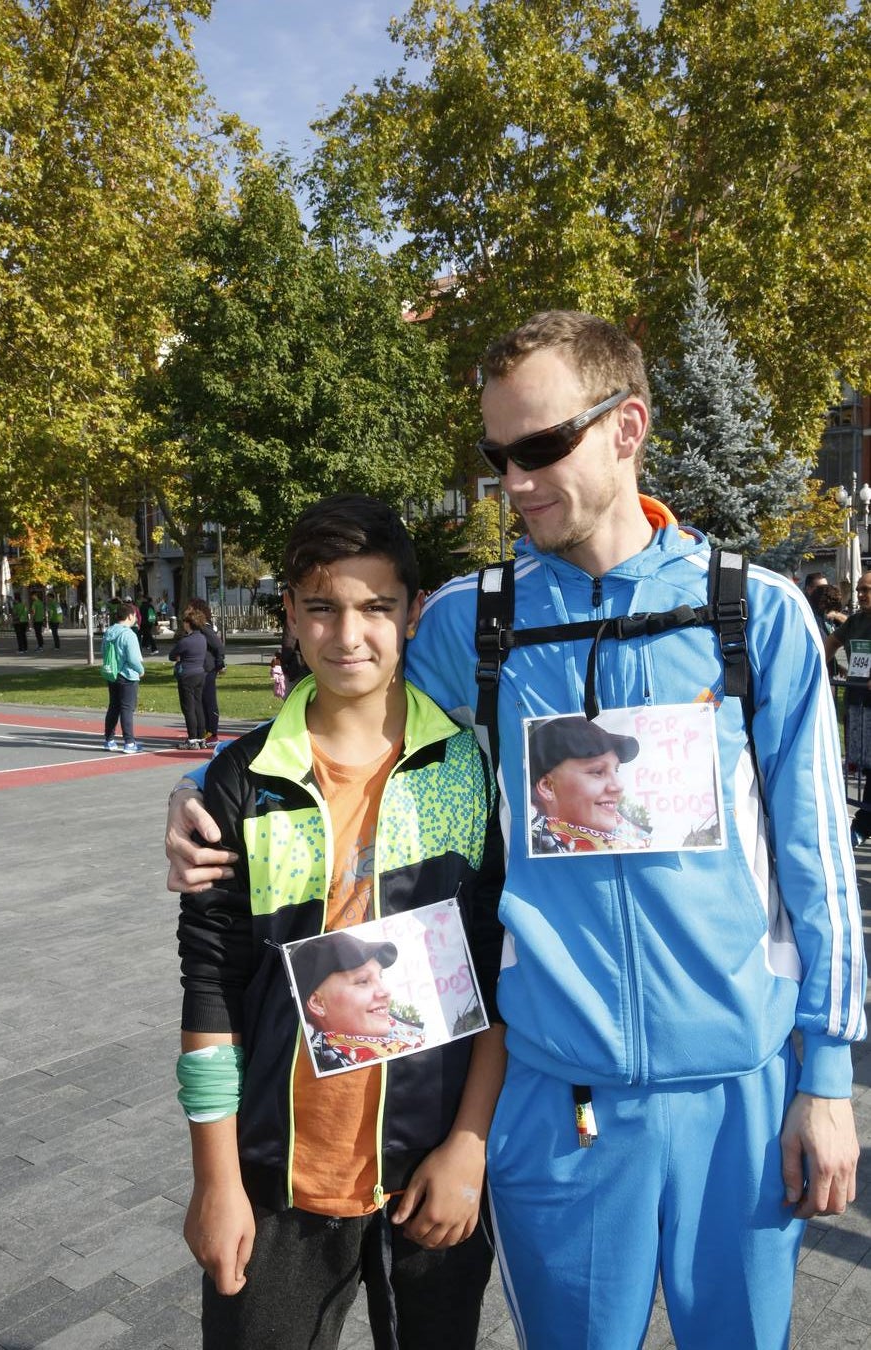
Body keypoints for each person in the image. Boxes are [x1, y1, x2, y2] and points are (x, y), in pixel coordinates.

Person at [166, 313, 865, 1350]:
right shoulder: (469, 622)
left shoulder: (751, 616)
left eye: (540, 448)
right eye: (497, 457)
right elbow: (347, 707)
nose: (513, 482)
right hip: (558, 1102)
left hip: (740, 1096)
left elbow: (820, 866)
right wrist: (199, 788)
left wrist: (828, 1076)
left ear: (627, 427)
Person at [174, 494, 504, 1350]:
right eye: (321, 607)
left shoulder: (466, 772)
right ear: (288, 612)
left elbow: (497, 973)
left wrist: (468, 1146)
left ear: (412, 614)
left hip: (431, 1170)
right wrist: (215, 1178)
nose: (347, 635)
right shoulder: (240, 781)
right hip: (279, 1178)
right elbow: (209, 985)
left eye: (375, 608)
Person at [291, 931, 424, 1072]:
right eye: (363, 981)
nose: (385, 991)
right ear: (318, 1003)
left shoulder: (415, 1041)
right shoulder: (305, 1073)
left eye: (380, 977)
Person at [527, 717, 641, 853]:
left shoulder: (636, 841)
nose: (618, 786)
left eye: (615, 770)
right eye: (597, 772)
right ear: (547, 787)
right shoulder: (532, 853)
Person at [825, 571, 871, 847]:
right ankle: (863, 822)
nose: (861, 594)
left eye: (867, 589)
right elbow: (832, 643)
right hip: (857, 702)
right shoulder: (856, 621)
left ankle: (862, 825)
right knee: (863, 764)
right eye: (859, 590)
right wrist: (818, 664)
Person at [102, 601, 145, 753]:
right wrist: (140, 669)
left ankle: (109, 739)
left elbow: (104, 651)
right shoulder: (128, 634)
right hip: (128, 675)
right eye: (134, 615)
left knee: (113, 706)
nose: (135, 618)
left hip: (112, 673)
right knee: (127, 708)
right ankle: (129, 742)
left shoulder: (109, 632)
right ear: (129, 616)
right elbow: (133, 658)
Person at [168, 605, 208, 748]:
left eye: (185, 621)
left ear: (188, 623)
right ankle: (201, 738)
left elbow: (172, 655)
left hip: (187, 675)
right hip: (200, 673)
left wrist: (180, 657)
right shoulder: (202, 639)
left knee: (188, 708)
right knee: (198, 706)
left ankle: (192, 739)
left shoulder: (185, 641)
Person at [187, 598, 225, 742]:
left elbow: (218, 645)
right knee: (200, 700)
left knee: (208, 700)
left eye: (189, 608)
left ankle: (212, 732)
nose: (187, 611)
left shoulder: (204, 627)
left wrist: (220, 664)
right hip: (201, 668)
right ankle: (203, 730)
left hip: (208, 669)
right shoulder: (197, 627)